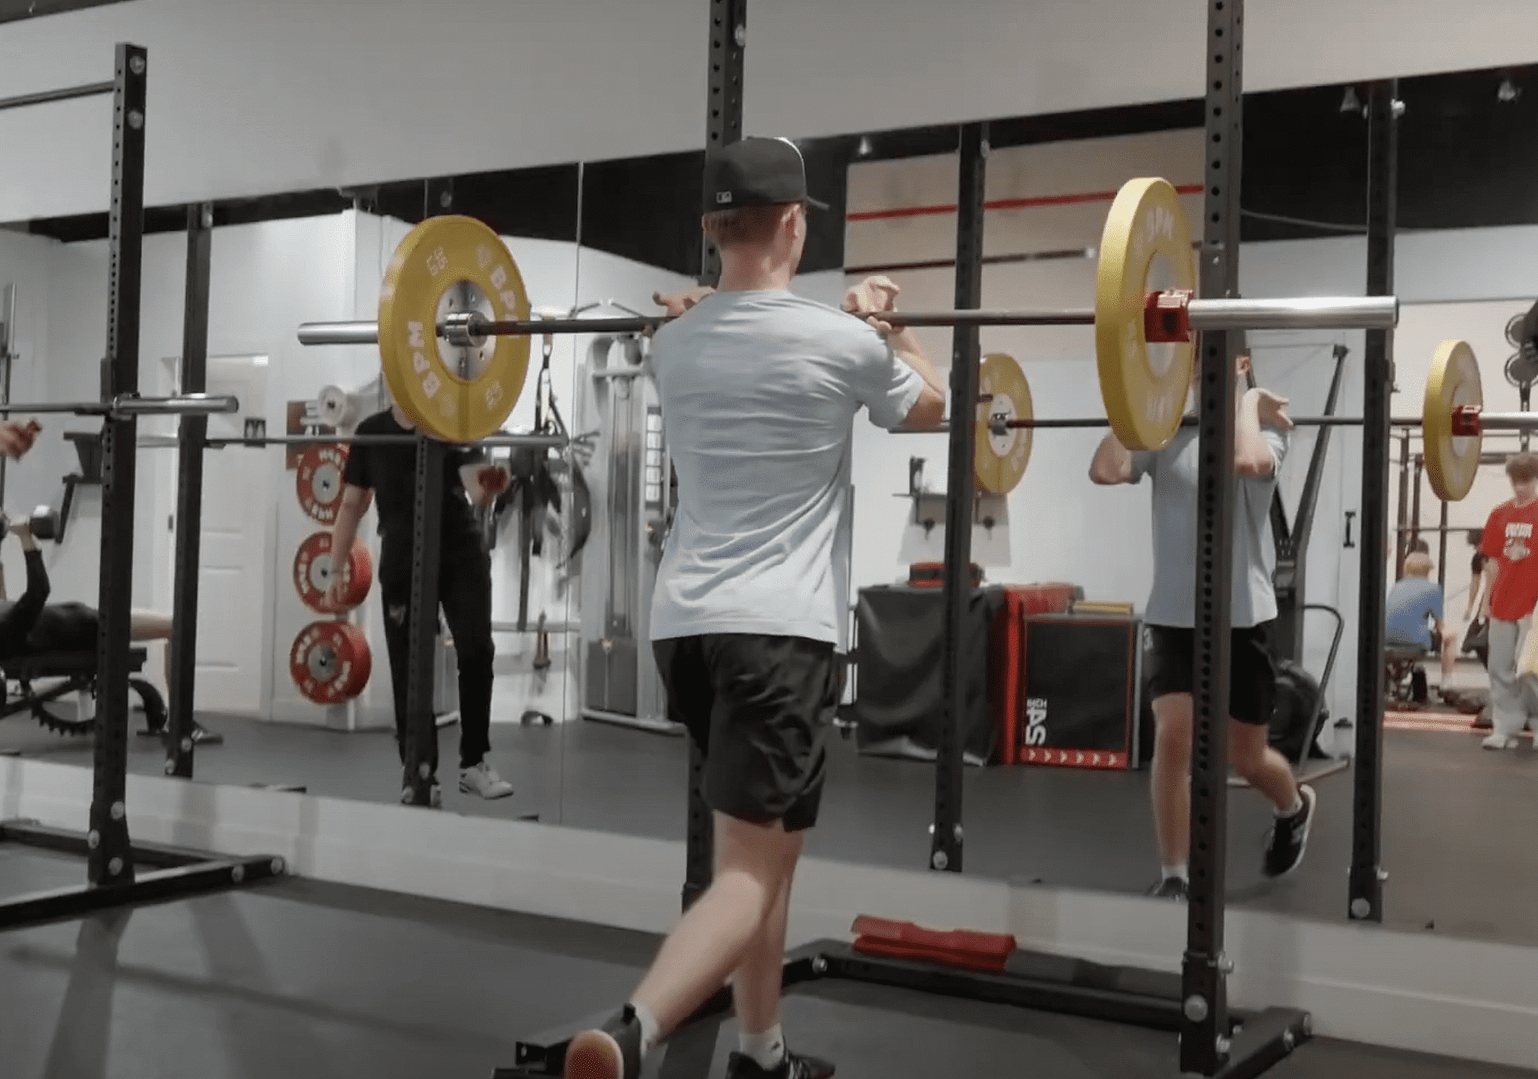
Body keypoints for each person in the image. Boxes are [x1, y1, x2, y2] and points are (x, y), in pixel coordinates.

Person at [561, 136, 945, 1079]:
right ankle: (634, 1029)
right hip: (779, 631)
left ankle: (761, 1050)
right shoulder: (842, 342)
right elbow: (934, 405)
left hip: (687, 630)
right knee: (746, 871)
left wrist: (707, 305)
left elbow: (721, 324)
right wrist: (891, 326)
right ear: (795, 224)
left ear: (710, 227)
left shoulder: (672, 345)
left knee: (768, 852)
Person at [1089, 352, 1316, 901]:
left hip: (1242, 615)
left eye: (1205, 359)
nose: (1193, 371)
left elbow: (1246, 461)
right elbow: (1106, 470)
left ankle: (1292, 807)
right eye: (1190, 362)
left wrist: (1248, 401)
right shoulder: (1162, 431)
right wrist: (1128, 404)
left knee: (1247, 758)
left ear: (1237, 362)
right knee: (1173, 740)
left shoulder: (1265, 429)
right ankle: (1175, 875)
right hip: (1173, 613)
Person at [327, 403, 515, 805]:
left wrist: (495, 478)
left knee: (477, 651)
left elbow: (478, 490)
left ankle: (474, 763)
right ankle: (418, 770)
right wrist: (335, 569)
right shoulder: (371, 432)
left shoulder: (449, 419)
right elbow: (351, 505)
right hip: (403, 560)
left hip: (461, 555)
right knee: (409, 665)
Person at [0, 512, 174, 676]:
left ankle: (174, 697)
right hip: (93, 629)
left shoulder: (7, 625)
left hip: (89, 620)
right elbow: (39, 590)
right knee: (174, 626)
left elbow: (4, 601)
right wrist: (25, 538)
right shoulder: (5, 627)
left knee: (174, 626)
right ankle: (176, 699)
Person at [1475, 454, 1538, 750]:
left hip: (1532, 606)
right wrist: (1485, 602)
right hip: (1502, 603)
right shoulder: (1499, 514)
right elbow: (1492, 564)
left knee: (1529, 671)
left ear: (1535, 480)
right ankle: (1505, 728)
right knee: (1498, 669)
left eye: (1526, 481)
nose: (1520, 487)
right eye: (1516, 482)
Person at [1384, 550, 1459, 687]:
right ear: (1427, 570)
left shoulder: (1396, 586)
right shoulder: (1433, 589)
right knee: (1451, 636)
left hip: (1386, 640)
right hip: (1416, 642)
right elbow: (1439, 625)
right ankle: (1446, 681)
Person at [1464, 529, 1489, 622]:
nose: (1475, 548)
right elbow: (1475, 583)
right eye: (1474, 546)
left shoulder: (1495, 554)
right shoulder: (1477, 558)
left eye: (1477, 545)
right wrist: (1470, 608)